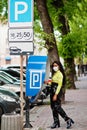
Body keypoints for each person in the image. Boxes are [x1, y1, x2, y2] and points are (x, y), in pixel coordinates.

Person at [45, 61, 74, 129]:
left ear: (59, 66)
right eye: (53, 65)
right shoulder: (55, 73)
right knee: (53, 107)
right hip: (52, 91)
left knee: (57, 107)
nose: (54, 67)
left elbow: (59, 85)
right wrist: (47, 82)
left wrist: (56, 94)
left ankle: (67, 119)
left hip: (57, 92)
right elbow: (53, 83)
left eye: (56, 65)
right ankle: (56, 122)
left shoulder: (60, 74)